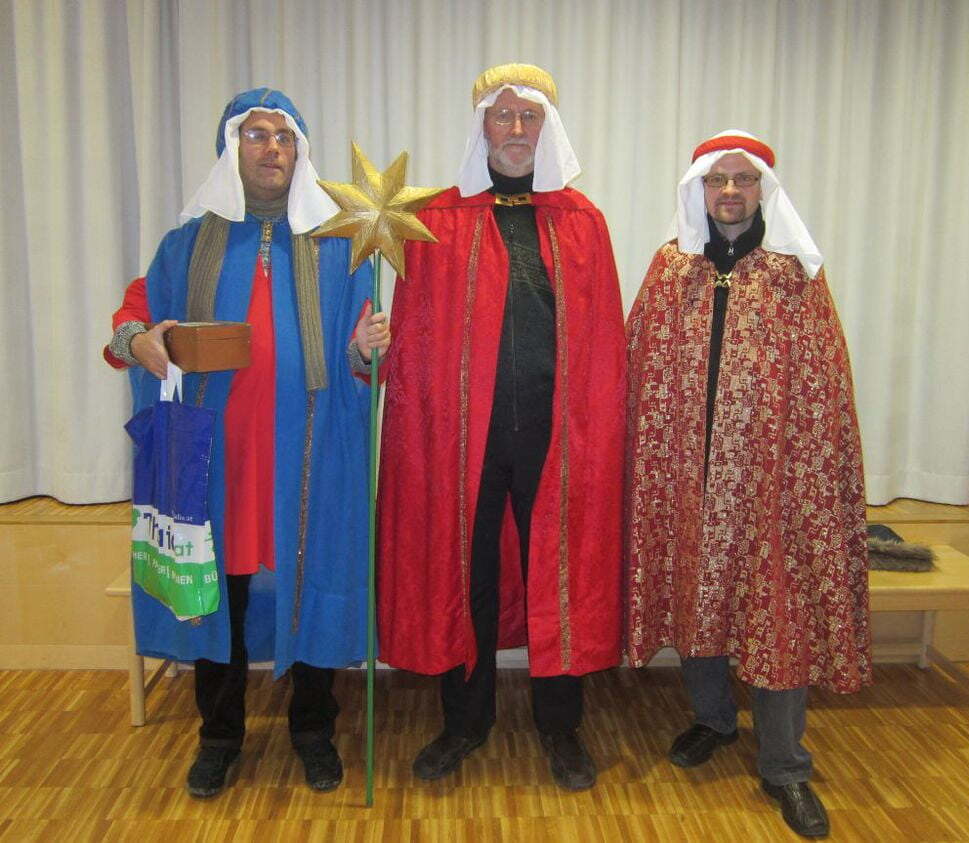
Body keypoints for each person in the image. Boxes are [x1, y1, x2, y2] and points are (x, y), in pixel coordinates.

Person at [104, 88, 390, 798]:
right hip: (216, 461)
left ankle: (314, 730)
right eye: (256, 135)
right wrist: (139, 340)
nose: (271, 148)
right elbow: (132, 321)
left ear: (300, 152)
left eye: (284, 137)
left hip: (310, 453)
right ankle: (219, 735)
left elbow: (366, 356)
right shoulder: (186, 245)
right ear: (231, 149)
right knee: (217, 592)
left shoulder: (341, 244)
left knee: (314, 576)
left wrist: (365, 348)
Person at [376, 63, 625, 791]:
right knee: (468, 574)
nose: (517, 130)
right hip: (465, 440)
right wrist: (376, 354)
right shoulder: (435, 220)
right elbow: (413, 338)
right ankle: (464, 721)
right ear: (481, 126)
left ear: (548, 128)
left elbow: (603, 343)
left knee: (559, 574)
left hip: (556, 438)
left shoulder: (582, 221)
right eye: (503, 116)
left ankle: (561, 725)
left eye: (530, 117)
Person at [624, 130, 871, 838]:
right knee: (697, 595)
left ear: (763, 188)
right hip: (688, 475)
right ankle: (713, 718)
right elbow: (639, 363)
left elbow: (824, 385)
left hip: (771, 484)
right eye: (716, 180)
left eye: (743, 179)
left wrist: (805, 475)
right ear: (699, 189)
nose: (729, 191)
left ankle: (785, 765)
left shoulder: (794, 274)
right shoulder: (671, 270)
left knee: (775, 613)